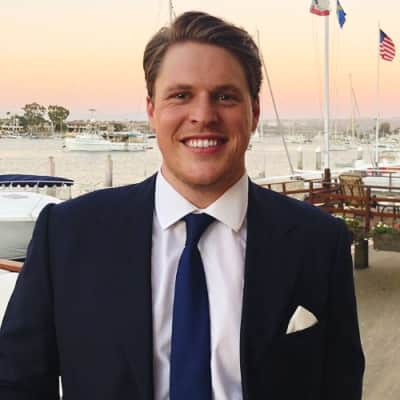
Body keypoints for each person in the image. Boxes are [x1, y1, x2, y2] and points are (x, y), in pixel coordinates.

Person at [0, 11, 364, 400]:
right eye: (180, 95)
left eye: (225, 96)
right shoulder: (68, 234)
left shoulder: (318, 240)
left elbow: (339, 384)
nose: (203, 116)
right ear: (152, 110)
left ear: (254, 112)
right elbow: (17, 381)